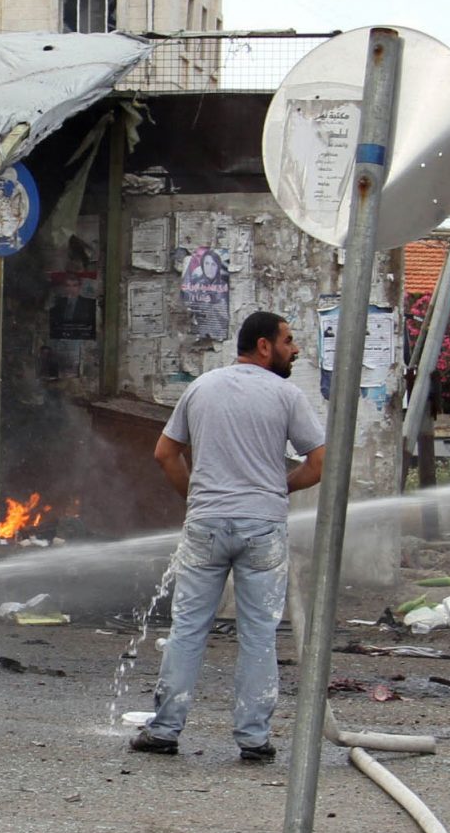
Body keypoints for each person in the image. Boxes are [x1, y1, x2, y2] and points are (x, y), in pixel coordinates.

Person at [136, 310, 327, 763]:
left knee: (187, 629)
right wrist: (277, 488)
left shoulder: (201, 388)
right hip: (262, 528)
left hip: (206, 524)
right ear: (264, 346)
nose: (295, 349)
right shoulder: (286, 395)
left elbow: (165, 453)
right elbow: (318, 463)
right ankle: (253, 739)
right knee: (258, 635)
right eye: (288, 340)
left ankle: (163, 730)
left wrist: (195, 498)